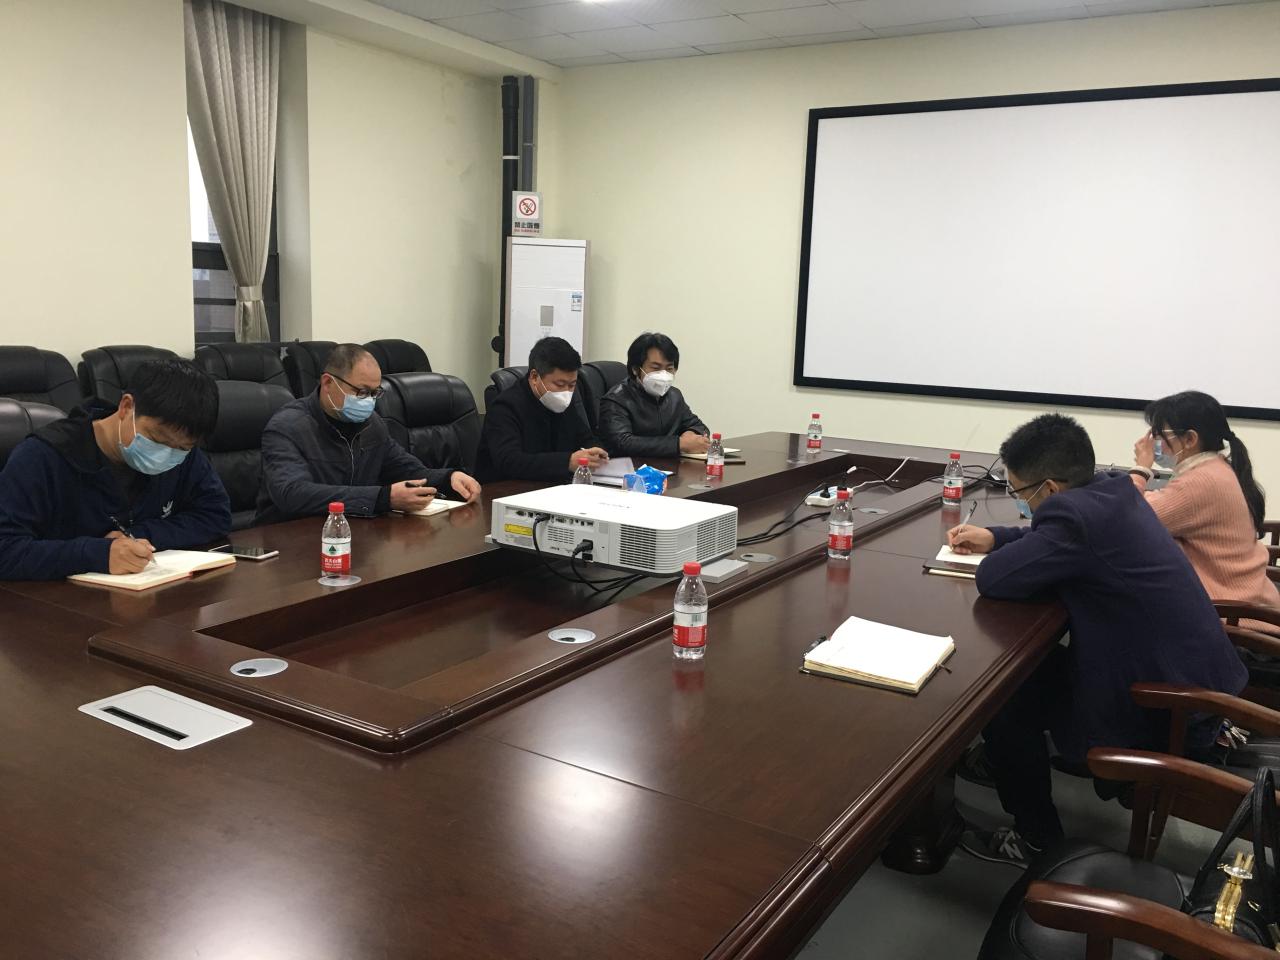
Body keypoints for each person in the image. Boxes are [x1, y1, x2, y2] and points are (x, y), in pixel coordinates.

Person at [946, 413, 1246, 867]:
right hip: (1195, 683)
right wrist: (996, 535)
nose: (1019, 501)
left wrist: (998, 550)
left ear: (1050, 489)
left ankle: (1036, 838)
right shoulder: (1112, 492)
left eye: (1019, 492)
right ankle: (1007, 764)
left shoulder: (1074, 520)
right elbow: (1054, 539)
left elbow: (995, 578)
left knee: (1003, 694)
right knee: (1030, 672)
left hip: (1167, 708)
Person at [0, 358, 231, 580]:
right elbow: (6, 548)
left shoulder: (181, 454)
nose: (166, 454)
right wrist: (98, 554)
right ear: (126, 406)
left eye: (181, 448)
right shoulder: (43, 456)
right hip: (54, 598)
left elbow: (215, 515)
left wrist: (138, 536)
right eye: (156, 439)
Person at [256, 343, 480, 524]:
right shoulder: (287, 426)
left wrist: (448, 478)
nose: (368, 401)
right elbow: (293, 494)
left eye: (374, 393)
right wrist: (383, 498)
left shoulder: (371, 424)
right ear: (328, 383)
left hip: (352, 533)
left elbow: (407, 470)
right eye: (362, 392)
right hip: (289, 540)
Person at [1130, 390, 1278, 628]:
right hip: (1249, 602)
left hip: (1235, 619)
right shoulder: (1215, 467)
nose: (1153, 443)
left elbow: (1129, 516)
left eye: (1159, 435)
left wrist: (1141, 469)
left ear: (1190, 439)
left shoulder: (1200, 481)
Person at [475, 336, 607, 483]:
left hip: (552, 486)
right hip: (507, 489)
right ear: (534, 377)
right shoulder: (505, 407)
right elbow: (509, 461)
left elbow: (585, 437)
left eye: (572, 385)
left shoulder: (562, 402)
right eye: (560, 384)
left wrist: (595, 451)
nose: (566, 392)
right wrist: (567, 462)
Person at [598, 332, 709, 459]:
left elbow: (699, 426)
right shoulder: (616, 399)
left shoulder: (674, 396)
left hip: (671, 466)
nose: (663, 375)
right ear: (635, 369)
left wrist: (690, 434)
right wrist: (679, 444)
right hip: (633, 468)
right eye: (656, 368)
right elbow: (622, 443)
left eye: (669, 368)